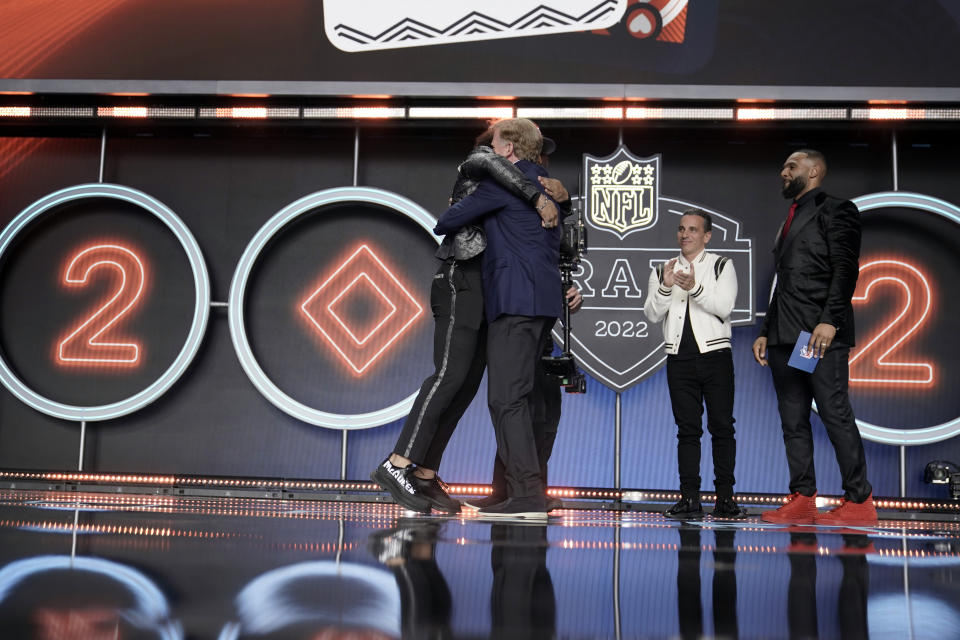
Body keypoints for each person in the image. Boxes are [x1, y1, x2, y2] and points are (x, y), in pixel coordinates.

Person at [371, 128, 561, 515]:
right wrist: (536, 194)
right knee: (451, 377)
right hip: (460, 282)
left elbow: (552, 233)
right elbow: (449, 218)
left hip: (491, 295)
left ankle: (424, 472)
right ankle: (399, 463)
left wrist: (551, 195)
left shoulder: (537, 187)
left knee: (468, 383)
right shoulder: (484, 171)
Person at [433, 118, 562, 519]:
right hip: (538, 303)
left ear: (507, 150)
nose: (488, 152)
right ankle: (514, 491)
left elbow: (446, 222)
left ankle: (526, 495)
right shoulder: (549, 187)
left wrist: (465, 199)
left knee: (507, 399)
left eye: (493, 146)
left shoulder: (504, 184)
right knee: (516, 398)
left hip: (515, 303)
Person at [752, 149, 877, 525]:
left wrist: (830, 322)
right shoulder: (791, 218)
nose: (783, 171)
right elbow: (784, 282)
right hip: (786, 333)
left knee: (834, 412)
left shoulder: (836, 209)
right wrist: (764, 331)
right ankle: (803, 497)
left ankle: (860, 501)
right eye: (784, 165)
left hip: (816, 334)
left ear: (815, 170)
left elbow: (845, 269)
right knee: (793, 419)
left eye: (791, 166)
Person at [643, 209, 745, 520]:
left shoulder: (721, 265)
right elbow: (651, 313)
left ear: (707, 236)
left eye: (692, 230)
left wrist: (693, 288)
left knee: (722, 428)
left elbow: (724, 307)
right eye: (681, 229)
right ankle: (689, 498)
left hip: (715, 357)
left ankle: (725, 498)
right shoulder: (665, 269)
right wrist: (665, 285)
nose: (685, 234)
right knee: (687, 430)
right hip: (679, 358)